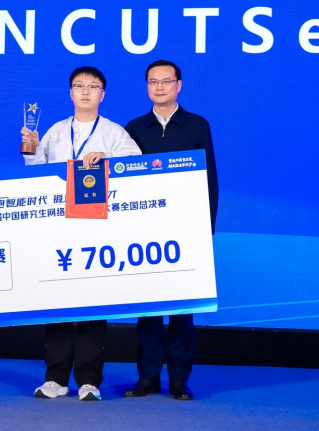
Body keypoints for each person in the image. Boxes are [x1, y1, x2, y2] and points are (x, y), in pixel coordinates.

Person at [21, 66, 141, 401]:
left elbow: (136, 164)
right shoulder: (55, 132)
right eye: (79, 85)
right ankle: (55, 378)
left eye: (93, 86)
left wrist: (108, 158)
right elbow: (37, 175)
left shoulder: (114, 132)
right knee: (57, 303)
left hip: (97, 228)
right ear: (70, 93)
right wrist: (32, 149)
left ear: (103, 94)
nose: (85, 91)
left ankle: (89, 380)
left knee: (92, 304)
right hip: (59, 227)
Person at [122, 60, 219, 401]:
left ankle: (179, 380)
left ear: (179, 85)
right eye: (153, 81)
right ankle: (147, 378)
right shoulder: (134, 128)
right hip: (145, 232)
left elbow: (210, 180)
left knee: (181, 312)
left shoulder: (197, 125)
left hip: (186, 231)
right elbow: (124, 181)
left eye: (166, 81)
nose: (159, 87)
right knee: (148, 311)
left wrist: (205, 230)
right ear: (147, 86)